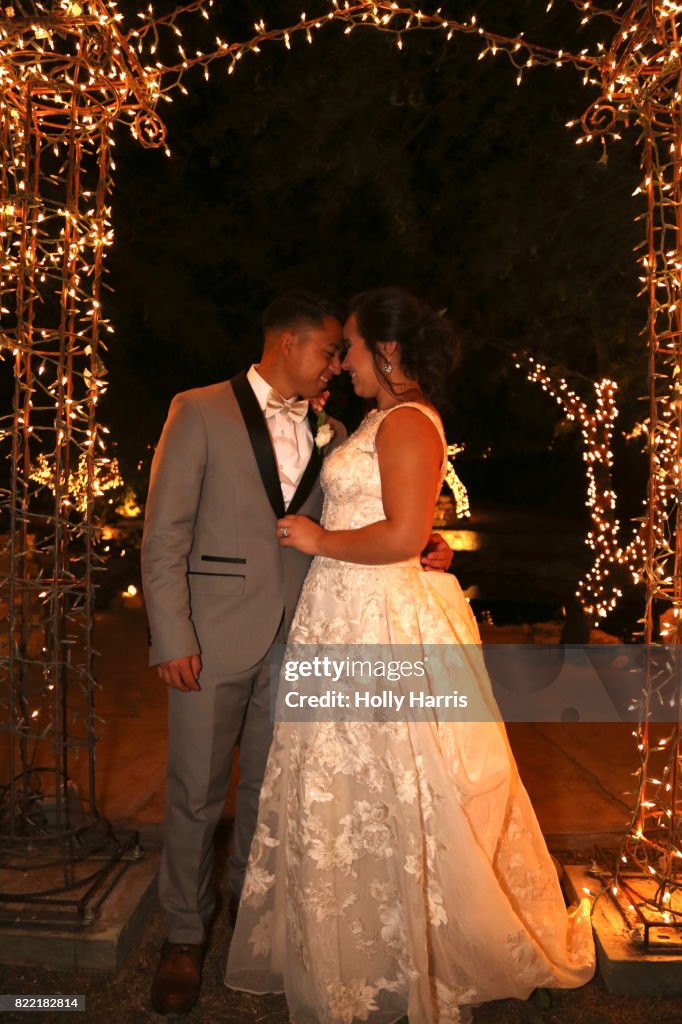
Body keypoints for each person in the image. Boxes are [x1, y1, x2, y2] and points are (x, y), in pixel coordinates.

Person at [225, 288, 595, 1024]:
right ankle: (361, 945)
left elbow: (397, 537)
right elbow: (405, 523)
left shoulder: (409, 422)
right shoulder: (377, 420)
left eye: (354, 347)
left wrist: (319, 540)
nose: (345, 360)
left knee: (396, 779)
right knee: (349, 784)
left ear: (386, 350)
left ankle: (404, 950)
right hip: (347, 613)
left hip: (377, 618)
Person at [141, 290, 453, 1016]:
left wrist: (421, 545)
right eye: (327, 351)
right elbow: (164, 536)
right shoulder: (199, 410)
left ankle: (258, 923)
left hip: (306, 634)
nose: (336, 366)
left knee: (270, 792)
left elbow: (356, 515)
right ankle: (183, 937)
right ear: (288, 343)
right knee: (194, 791)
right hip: (211, 639)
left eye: (344, 353)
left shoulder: (336, 429)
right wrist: (172, 634)